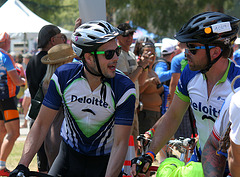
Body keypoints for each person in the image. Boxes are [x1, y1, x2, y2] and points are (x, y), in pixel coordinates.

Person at [10, 20, 136, 177]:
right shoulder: (64, 76)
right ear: (89, 57)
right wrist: (22, 165)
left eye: (117, 51)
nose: (116, 57)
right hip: (68, 158)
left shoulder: (124, 88)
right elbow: (41, 124)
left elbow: (120, 143)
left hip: (105, 163)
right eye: (109, 53)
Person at [130, 11, 240, 176]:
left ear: (216, 52)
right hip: (201, 160)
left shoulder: (237, 84)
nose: (186, 52)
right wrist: (150, 154)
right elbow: (173, 115)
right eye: (186, 46)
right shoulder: (189, 73)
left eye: (193, 48)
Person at [25, 24, 65, 173]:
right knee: (53, 166)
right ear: (53, 40)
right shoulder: (51, 63)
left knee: (43, 165)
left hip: (36, 118)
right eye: (62, 37)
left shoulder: (32, 61)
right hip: (51, 120)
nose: (64, 41)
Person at [40, 43, 76, 167]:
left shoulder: (46, 83)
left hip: (50, 134)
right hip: (63, 134)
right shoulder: (63, 83)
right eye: (71, 60)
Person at [116, 23, 149, 154]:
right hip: (123, 106)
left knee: (134, 144)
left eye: (131, 34)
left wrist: (145, 65)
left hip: (133, 106)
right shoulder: (118, 54)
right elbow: (127, 81)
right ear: (118, 36)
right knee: (124, 145)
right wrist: (141, 67)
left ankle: (132, 171)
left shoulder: (130, 54)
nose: (129, 37)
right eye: (126, 35)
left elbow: (140, 81)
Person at [0, 32, 25, 176]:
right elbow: (16, 81)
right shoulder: (5, 57)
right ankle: (1, 165)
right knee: (14, 133)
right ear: (6, 42)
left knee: (2, 132)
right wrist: (24, 80)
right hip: (7, 99)